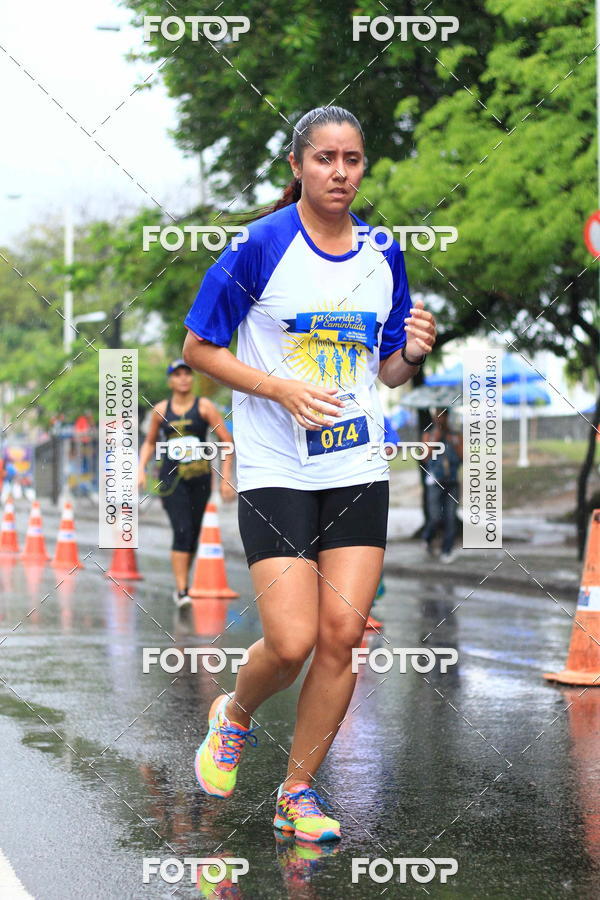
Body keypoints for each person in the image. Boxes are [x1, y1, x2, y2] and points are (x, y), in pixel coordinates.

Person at [182, 106, 437, 840]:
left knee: (342, 636)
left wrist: (414, 351)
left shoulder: (383, 252)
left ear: (363, 166)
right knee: (290, 642)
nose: (340, 173)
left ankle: (297, 792)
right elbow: (200, 348)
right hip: (273, 466)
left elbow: (386, 372)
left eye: (352, 159)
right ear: (297, 165)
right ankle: (232, 716)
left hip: (356, 462)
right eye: (324, 158)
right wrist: (281, 389)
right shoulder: (259, 246)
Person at [137, 359, 236, 606]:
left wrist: (226, 479)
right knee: (181, 529)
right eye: (177, 374)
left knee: (192, 534)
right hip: (171, 480)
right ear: (170, 380)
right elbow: (150, 442)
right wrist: (140, 469)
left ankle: (185, 583)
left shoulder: (204, 408)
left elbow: (226, 441)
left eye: (187, 374)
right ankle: (182, 590)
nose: (183, 378)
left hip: (200, 478)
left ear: (191, 379)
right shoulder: (161, 410)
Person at [422, 409, 463, 563]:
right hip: (435, 481)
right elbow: (424, 457)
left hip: (451, 481)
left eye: (443, 415)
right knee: (434, 516)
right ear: (434, 418)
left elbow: (462, 456)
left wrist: (454, 442)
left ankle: (447, 550)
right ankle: (428, 538)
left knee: (450, 517)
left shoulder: (455, 435)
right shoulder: (429, 435)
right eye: (437, 416)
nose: (440, 419)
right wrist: (435, 440)